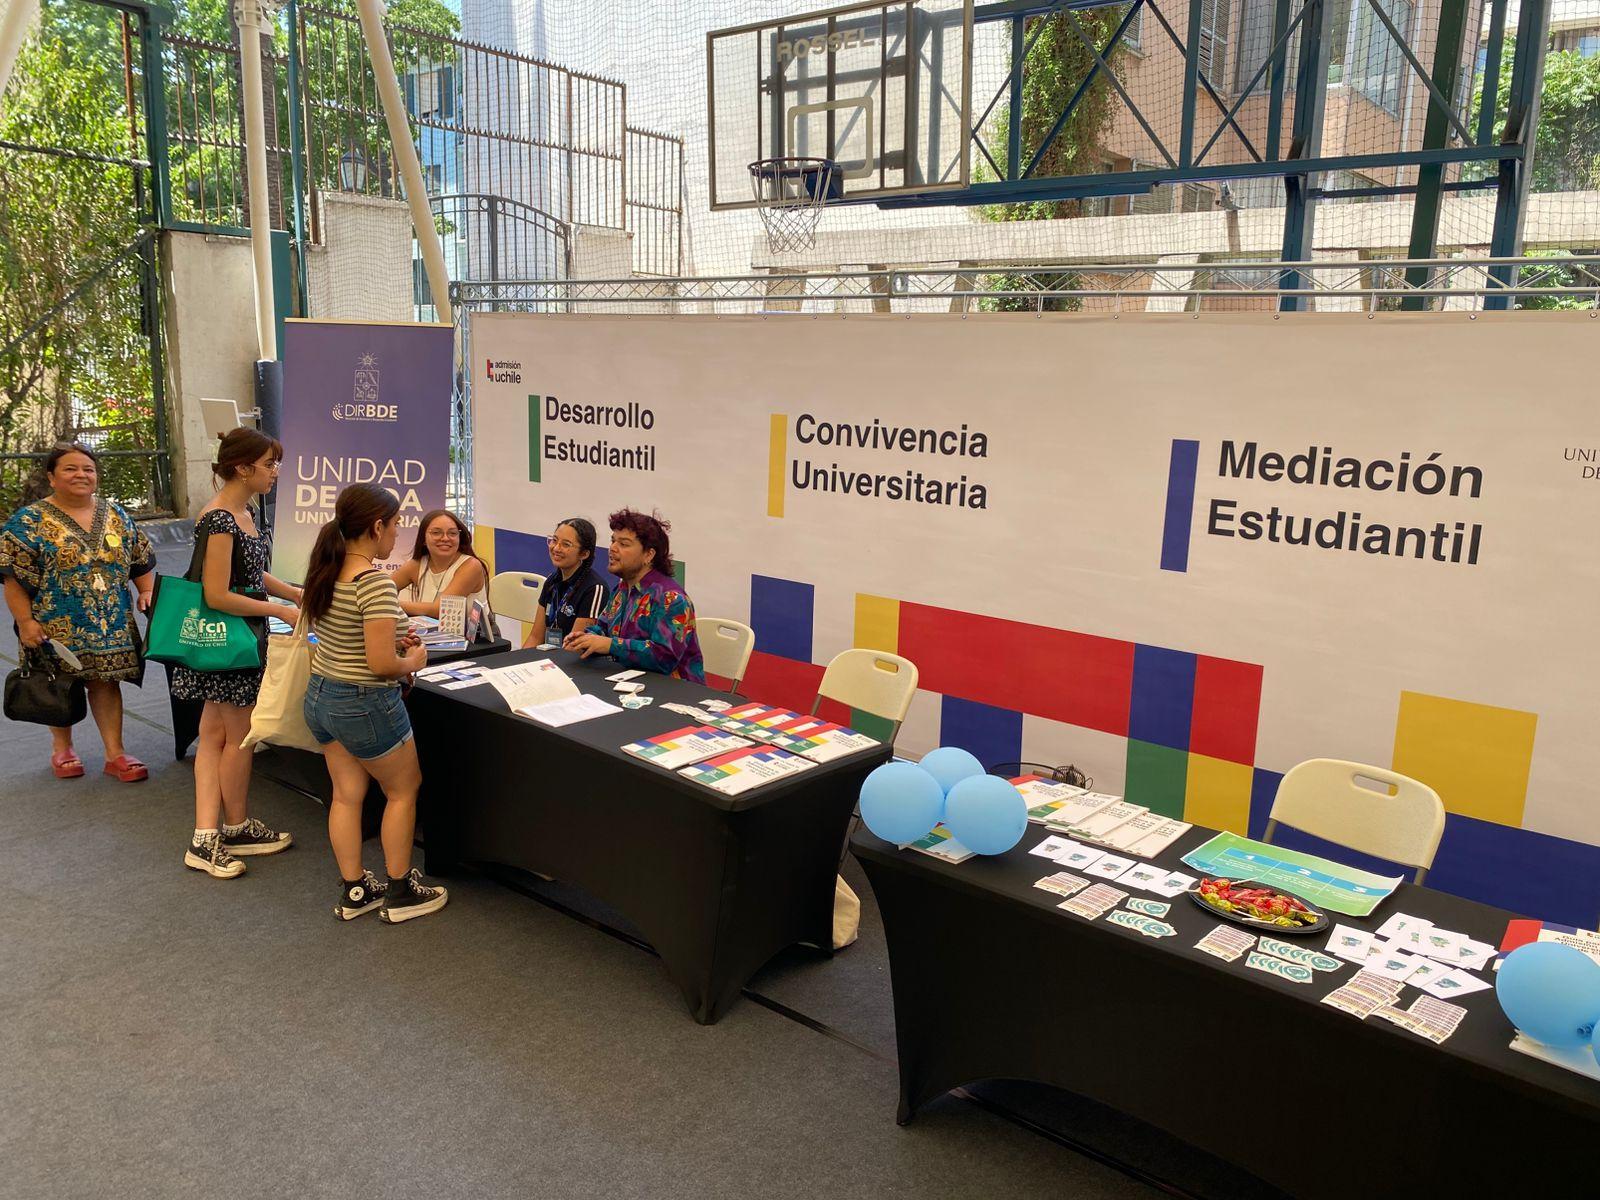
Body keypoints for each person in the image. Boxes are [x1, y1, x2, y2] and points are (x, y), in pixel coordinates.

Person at [301, 483, 447, 924]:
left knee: (346, 796)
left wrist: (392, 641)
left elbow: (344, 636)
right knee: (402, 790)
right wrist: (412, 661)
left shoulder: (325, 571)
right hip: (364, 703)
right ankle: (401, 891)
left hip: (322, 696)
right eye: (397, 524)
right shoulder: (375, 584)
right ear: (377, 526)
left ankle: (356, 889)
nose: (399, 534)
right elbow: (382, 664)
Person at [173, 428, 303, 880]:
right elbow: (217, 594)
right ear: (243, 468)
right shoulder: (220, 520)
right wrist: (279, 609)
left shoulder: (243, 514)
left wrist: (293, 593)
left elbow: (251, 574)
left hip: (236, 641)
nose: (275, 472)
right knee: (237, 738)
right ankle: (226, 829)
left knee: (214, 736)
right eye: (269, 464)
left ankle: (215, 832)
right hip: (231, 644)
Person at [0, 442, 155, 781]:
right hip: (53, 623)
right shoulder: (27, 522)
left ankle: (115, 754)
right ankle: (62, 748)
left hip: (110, 622)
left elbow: (140, 557)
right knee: (58, 684)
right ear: (51, 477)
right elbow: (13, 578)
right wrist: (25, 622)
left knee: (106, 683)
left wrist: (145, 591)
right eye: (70, 469)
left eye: (88, 469)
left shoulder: (116, 514)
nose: (81, 475)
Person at [565, 508, 703, 683]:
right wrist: (585, 638)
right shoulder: (622, 589)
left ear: (648, 555)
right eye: (613, 541)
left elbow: (664, 657)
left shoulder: (672, 599)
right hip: (628, 683)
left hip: (674, 691)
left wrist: (610, 645)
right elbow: (604, 628)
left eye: (623, 544)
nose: (612, 548)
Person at [392, 509, 491, 625]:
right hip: (435, 630)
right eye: (436, 533)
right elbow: (381, 588)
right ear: (423, 539)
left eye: (452, 533)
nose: (445, 538)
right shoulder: (416, 564)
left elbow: (442, 610)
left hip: (476, 634)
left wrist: (391, 604)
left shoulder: (471, 566)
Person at [527, 517, 607, 648]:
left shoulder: (595, 588)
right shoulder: (551, 582)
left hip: (571, 657)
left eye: (566, 544)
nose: (556, 548)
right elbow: (535, 637)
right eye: (554, 540)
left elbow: (574, 647)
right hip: (549, 655)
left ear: (584, 554)